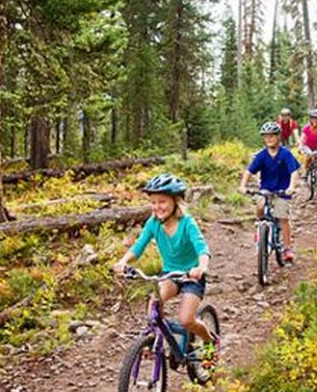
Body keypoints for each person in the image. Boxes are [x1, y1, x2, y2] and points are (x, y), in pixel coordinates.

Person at [113, 173, 219, 366]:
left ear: (175, 201)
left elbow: (202, 248)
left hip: (190, 276)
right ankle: (156, 344)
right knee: (154, 309)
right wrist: (123, 262)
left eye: (162, 201)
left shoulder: (187, 223)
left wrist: (201, 266)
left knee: (186, 320)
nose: (157, 207)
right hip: (169, 275)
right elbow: (139, 246)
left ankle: (209, 341)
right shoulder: (153, 223)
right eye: (153, 202)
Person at [238, 122, 301, 262]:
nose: (269, 139)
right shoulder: (261, 155)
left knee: (282, 216)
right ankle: (260, 229)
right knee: (260, 205)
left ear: (278, 137)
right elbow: (249, 171)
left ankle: (287, 248)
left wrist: (291, 187)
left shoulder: (285, 154)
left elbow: (294, 172)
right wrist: (243, 185)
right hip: (266, 188)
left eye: (272, 136)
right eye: (266, 137)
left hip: (282, 190)